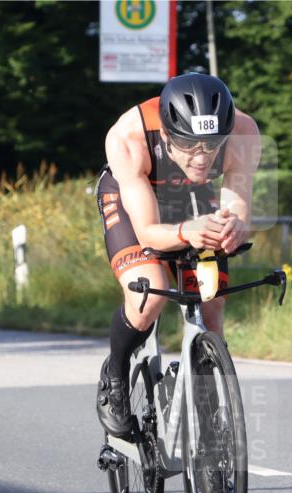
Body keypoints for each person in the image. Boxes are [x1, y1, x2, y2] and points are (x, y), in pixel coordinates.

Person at [95, 73, 261, 437]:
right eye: (189, 145)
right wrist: (187, 232)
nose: (202, 157)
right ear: (167, 135)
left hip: (191, 198)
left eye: (212, 145)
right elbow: (147, 232)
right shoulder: (129, 136)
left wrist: (234, 227)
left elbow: (238, 207)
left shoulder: (243, 133)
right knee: (148, 294)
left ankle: (210, 416)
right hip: (133, 200)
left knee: (211, 300)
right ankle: (115, 376)